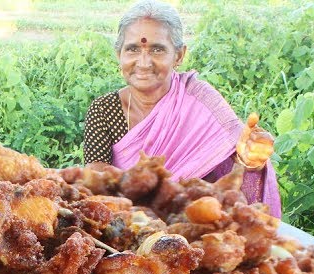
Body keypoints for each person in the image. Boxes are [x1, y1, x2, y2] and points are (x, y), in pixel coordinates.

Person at [82, 0, 282, 217]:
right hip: (126, 225)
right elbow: (96, 183)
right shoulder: (104, 110)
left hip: (194, 224)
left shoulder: (200, 99)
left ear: (179, 55)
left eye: (157, 49)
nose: (144, 62)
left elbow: (237, 158)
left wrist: (249, 159)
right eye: (132, 49)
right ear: (119, 54)